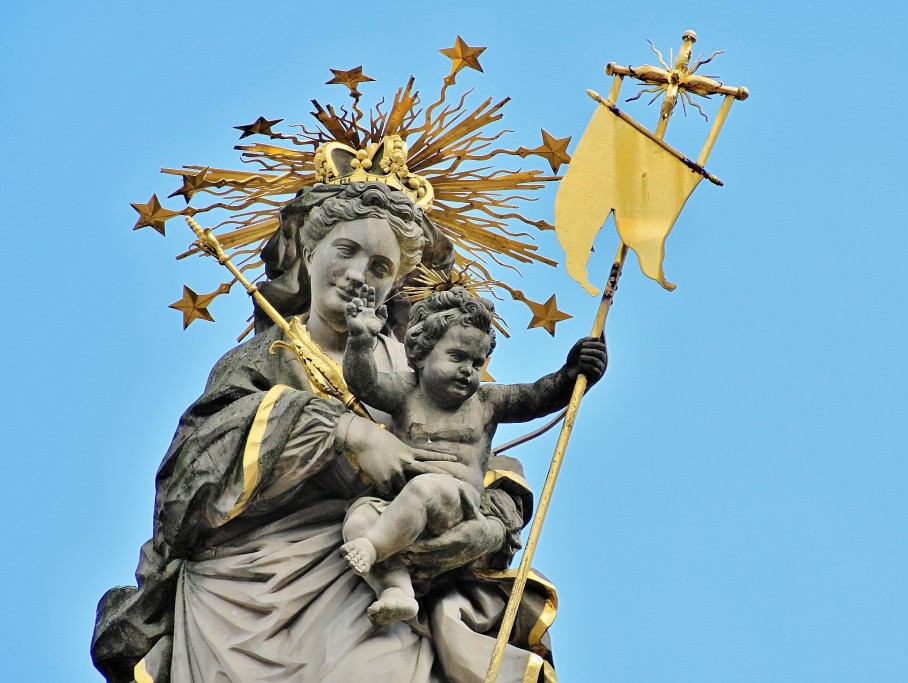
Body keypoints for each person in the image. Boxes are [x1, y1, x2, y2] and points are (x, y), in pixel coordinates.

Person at [92, 182, 560, 683]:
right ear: (311, 253)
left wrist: (484, 525)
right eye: (346, 250)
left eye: (381, 267)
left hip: (376, 590)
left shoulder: (419, 373)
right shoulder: (264, 359)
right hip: (244, 592)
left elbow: (478, 456)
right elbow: (186, 489)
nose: (360, 274)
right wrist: (344, 432)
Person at [339, 286, 606, 627]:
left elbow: (538, 396)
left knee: (425, 491)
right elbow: (364, 383)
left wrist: (573, 372)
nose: (468, 370)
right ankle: (397, 591)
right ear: (421, 353)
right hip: (399, 504)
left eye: (477, 362)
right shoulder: (406, 392)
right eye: (456, 357)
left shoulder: (486, 402)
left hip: (457, 501)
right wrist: (360, 341)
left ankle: (373, 548)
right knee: (359, 517)